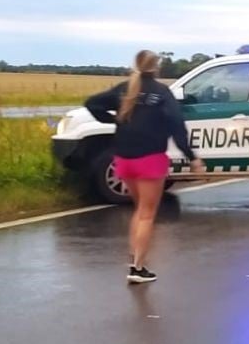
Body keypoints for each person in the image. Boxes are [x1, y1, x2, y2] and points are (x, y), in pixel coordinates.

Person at [86, 49, 205, 283]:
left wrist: (114, 120)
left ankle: (134, 257)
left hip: (123, 160)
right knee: (147, 215)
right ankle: (138, 268)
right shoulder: (161, 93)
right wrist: (191, 156)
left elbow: (92, 104)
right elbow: (177, 126)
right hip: (150, 160)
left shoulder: (123, 89)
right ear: (156, 67)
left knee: (139, 210)